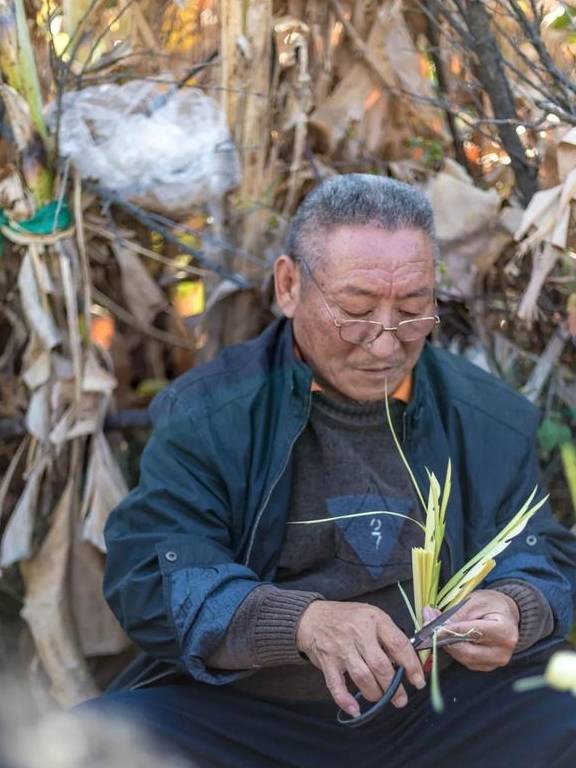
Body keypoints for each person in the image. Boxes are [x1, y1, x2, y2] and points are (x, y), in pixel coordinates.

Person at [89, 175, 576, 767]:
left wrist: (517, 607)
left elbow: (541, 555)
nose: (385, 343)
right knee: (84, 746)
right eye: (356, 310)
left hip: (440, 714)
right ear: (290, 285)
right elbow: (152, 574)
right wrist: (303, 623)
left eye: (415, 308)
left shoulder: (486, 416)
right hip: (253, 718)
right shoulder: (209, 413)